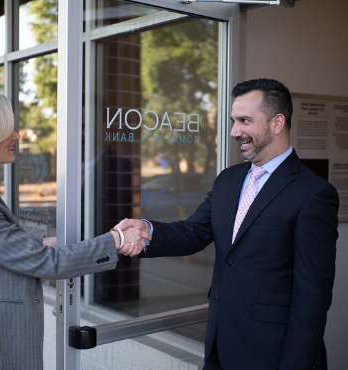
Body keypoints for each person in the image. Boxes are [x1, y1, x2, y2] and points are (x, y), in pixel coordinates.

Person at [0, 89, 150, 370]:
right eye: (6, 128)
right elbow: (47, 264)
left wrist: (41, 241)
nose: (17, 135)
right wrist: (117, 239)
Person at [116, 79, 339, 370]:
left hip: (271, 355)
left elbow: (312, 297)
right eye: (233, 121)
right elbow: (194, 232)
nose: (235, 132)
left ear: (277, 123)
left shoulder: (313, 193)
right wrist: (149, 231)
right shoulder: (228, 180)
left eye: (244, 121)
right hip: (220, 344)